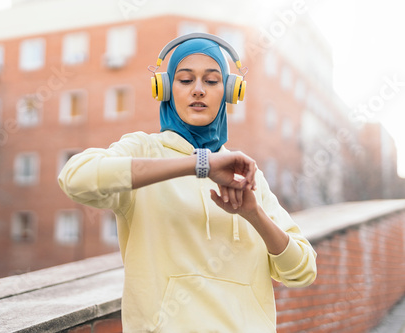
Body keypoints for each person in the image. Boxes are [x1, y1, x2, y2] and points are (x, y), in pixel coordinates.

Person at [58, 33, 317, 333]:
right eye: (185, 80)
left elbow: (302, 272)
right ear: (165, 88)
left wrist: (254, 214)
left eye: (211, 81)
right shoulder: (145, 151)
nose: (198, 90)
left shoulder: (246, 175)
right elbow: (75, 178)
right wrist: (199, 165)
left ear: (230, 91)